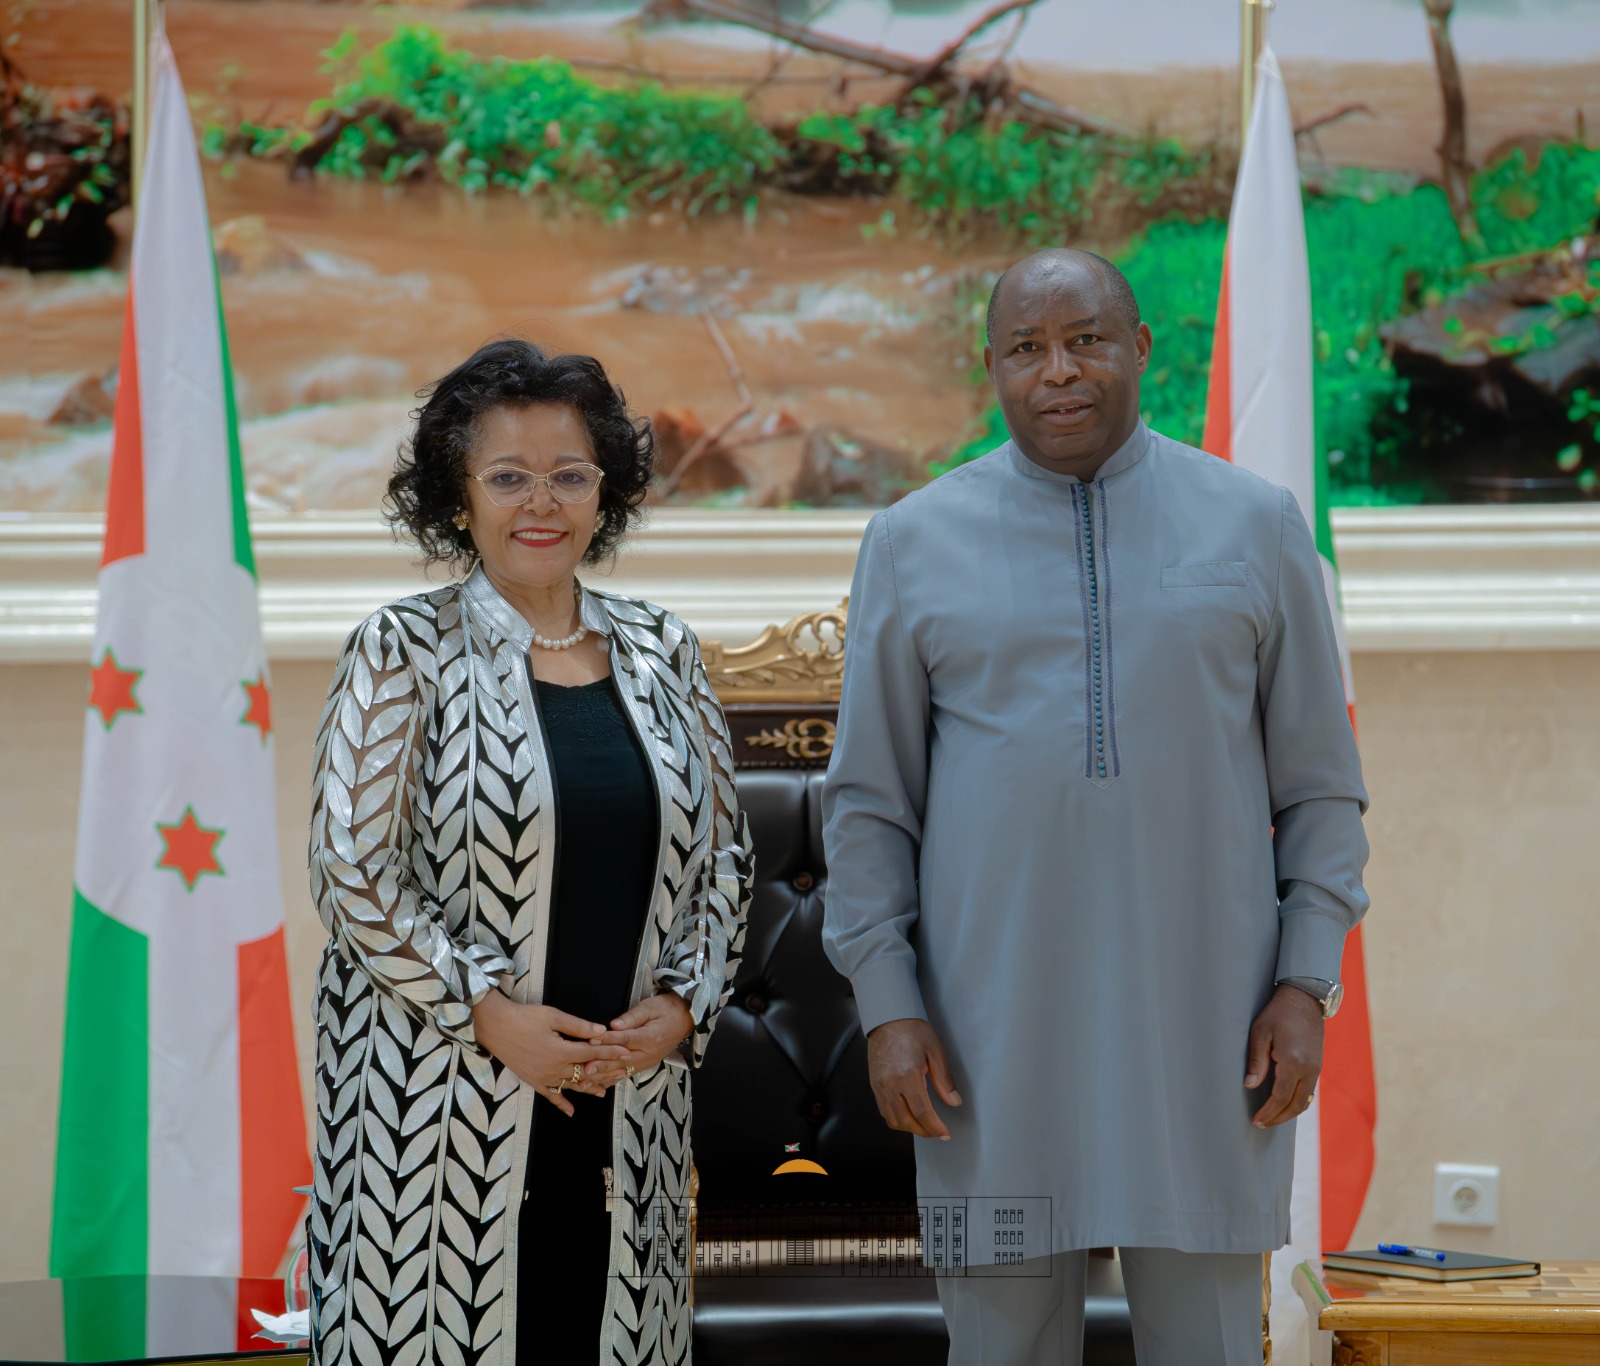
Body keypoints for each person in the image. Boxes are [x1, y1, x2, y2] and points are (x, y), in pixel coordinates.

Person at [821, 249, 1369, 1366]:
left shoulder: (1257, 525)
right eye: (1026, 348)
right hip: (986, 1052)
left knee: (1207, 1348)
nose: (1058, 372)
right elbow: (870, 807)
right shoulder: (911, 541)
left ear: (1139, 350)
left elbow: (1320, 788)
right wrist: (887, 1003)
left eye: (1085, 340)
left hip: (1210, 1043)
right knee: (1003, 1351)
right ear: (992, 367)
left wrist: (1306, 981)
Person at [306, 339, 753, 1366]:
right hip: (440, 1109)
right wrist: (490, 1016)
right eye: (507, 476)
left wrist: (683, 1005)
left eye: (568, 474)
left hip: (628, 1102)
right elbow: (355, 873)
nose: (539, 501)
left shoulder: (663, 647)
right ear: (456, 496)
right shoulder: (399, 650)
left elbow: (726, 862)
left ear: (607, 492)